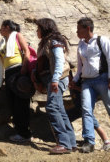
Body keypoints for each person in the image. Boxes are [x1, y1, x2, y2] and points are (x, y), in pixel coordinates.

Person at [0, 20, 32, 142]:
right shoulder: (3, 42)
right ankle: (20, 132)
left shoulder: (17, 35)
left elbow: (26, 51)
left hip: (19, 71)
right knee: (12, 103)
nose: (0, 30)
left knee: (21, 104)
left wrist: (24, 67)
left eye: (1, 27)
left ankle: (25, 134)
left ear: (7, 27)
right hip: (9, 73)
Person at [33, 18, 76, 154]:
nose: (36, 31)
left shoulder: (54, 41)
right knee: (59, 109)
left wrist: (55, 79)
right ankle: (71, 142)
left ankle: (63, 143)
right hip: (53, 79)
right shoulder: (45, 43)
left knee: (51, 107)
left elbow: (59, 61)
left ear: (45, 29)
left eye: (38, 28)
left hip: (57, 78)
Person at [72, 17, 110, 153]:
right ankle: (89, 142)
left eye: (79, 29)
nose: (77, 32)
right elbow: (80, 66)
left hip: (102, 79)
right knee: (86, 110)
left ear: (87, 28)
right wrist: (75, 79)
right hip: (87, 82)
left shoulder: (102, 40)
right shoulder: (81, 45)